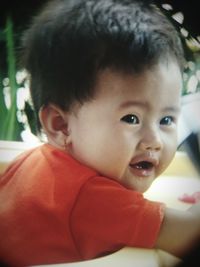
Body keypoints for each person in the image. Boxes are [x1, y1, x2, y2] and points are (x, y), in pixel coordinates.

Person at [0, 0, 200, 266]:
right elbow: (190, 235)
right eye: (131, 118)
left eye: (166, 119)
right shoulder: (91, 199)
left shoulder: (32, 163)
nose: (154, 141)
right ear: (61, 125)